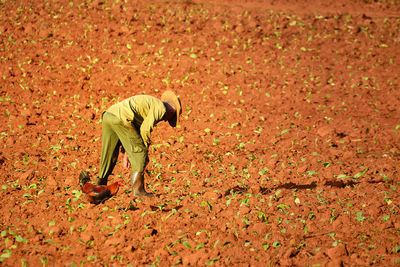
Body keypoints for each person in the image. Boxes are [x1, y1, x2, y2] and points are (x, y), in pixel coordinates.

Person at [94, 90, 181, 198]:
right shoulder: (161, 108)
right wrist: (144, 150)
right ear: (171, 112)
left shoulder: (151, 103)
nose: (165, 120)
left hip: (109, 115)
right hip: (121, 119)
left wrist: (127, 153)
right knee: (140, 152)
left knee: (109, 153)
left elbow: (132, 133)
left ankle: (98, 189)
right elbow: (145, 129)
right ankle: (138, 191)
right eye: (169, 119)